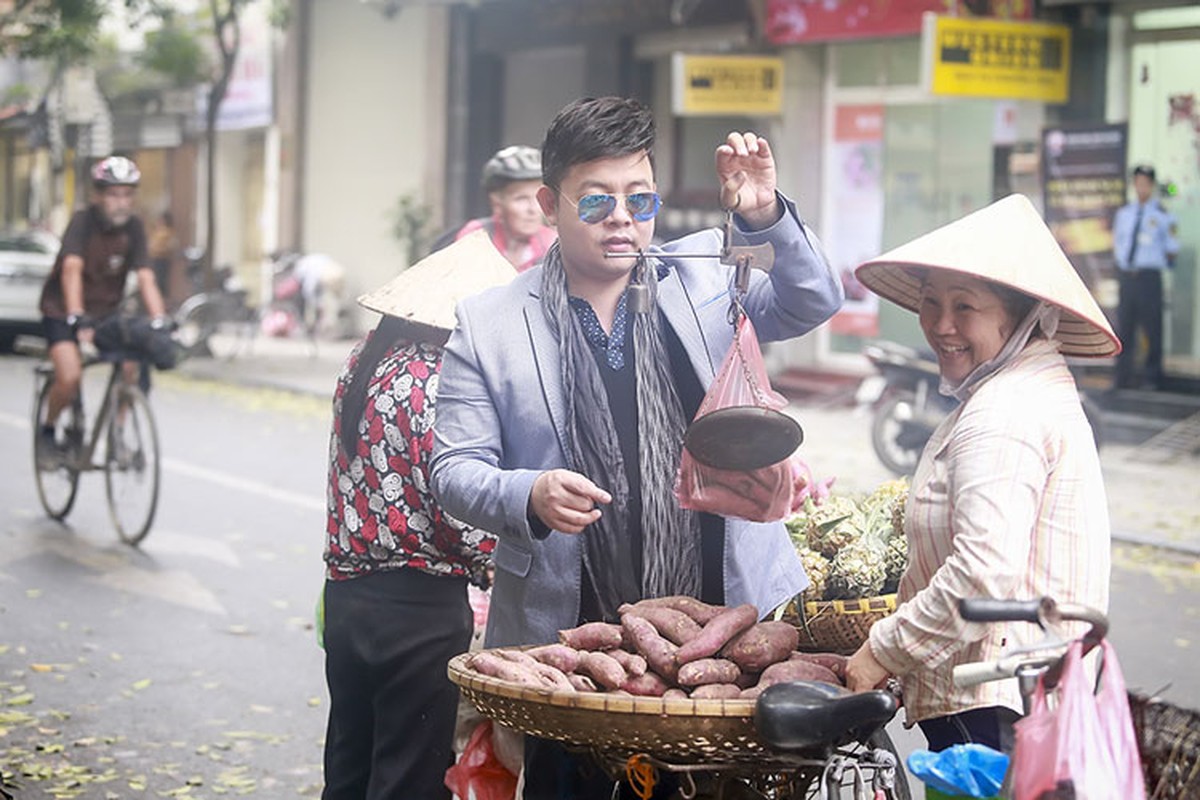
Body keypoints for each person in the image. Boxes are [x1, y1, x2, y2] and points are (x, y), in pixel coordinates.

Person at [429, 96, 843, 797]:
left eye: (640, 199)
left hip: (720, 632)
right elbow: (452, 470)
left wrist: (764, 214)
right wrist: (526, 492)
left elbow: (813, 300)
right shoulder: (490, 321)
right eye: (596, 203)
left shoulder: (708, 277)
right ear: (549, 203)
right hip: (576, 650)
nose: (623, 219)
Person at [847, 194, 1119, 754]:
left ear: (1018, 316)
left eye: (965, 307)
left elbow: (982, 575)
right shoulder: (1030, 387)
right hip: (1026, 696)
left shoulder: (1004, 411)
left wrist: (883, 650)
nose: (941, 326)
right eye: (930, 303)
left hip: (998, 705)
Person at [321, 230, 516, 799]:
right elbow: (458, 505)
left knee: (350, 767)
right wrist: (502, 556)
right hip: (418, 613)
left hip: (349, 601)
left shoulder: (367, 358)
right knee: (408, 779)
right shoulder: (440, 381)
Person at [37, 155, 169, 466]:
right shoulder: (83, 222)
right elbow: (71, 269)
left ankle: (117, 434)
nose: (121, 202)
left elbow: (146, 277)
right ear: (98, 196)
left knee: (131, 367)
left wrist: (160, 319)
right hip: (62, 310)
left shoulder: (134, 228)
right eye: (113, 194)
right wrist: (76, 314)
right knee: (69, 379)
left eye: (127, 195)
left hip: (106, 313)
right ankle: (49, 429)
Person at [433, 145, 557, 271]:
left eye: (538, 199)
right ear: (497, 204)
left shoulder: (552, 244)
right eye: (521, 199)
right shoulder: (475, 235)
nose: (533, 209)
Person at [1111, 164, 1179, 390]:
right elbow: (1119, 243)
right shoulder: (1124, 213)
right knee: (1125, 328)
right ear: (1134, 184)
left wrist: (1157, 262)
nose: (1141, 187)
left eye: (1145, 183)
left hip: (1149, 278)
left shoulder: (1162, 215)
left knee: (1152, 328)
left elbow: (1172, 248)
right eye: (1138, 183)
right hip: (1128, 277)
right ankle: (1122, 377)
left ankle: (1152, 378)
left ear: (1151, 186)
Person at [147, 210, 181, 306]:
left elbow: (168, 246)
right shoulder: (159, 231)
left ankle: (163, 301)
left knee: (161, 281)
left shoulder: (166, 232)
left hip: (161, 259)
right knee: (158, 281)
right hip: (156, 259)